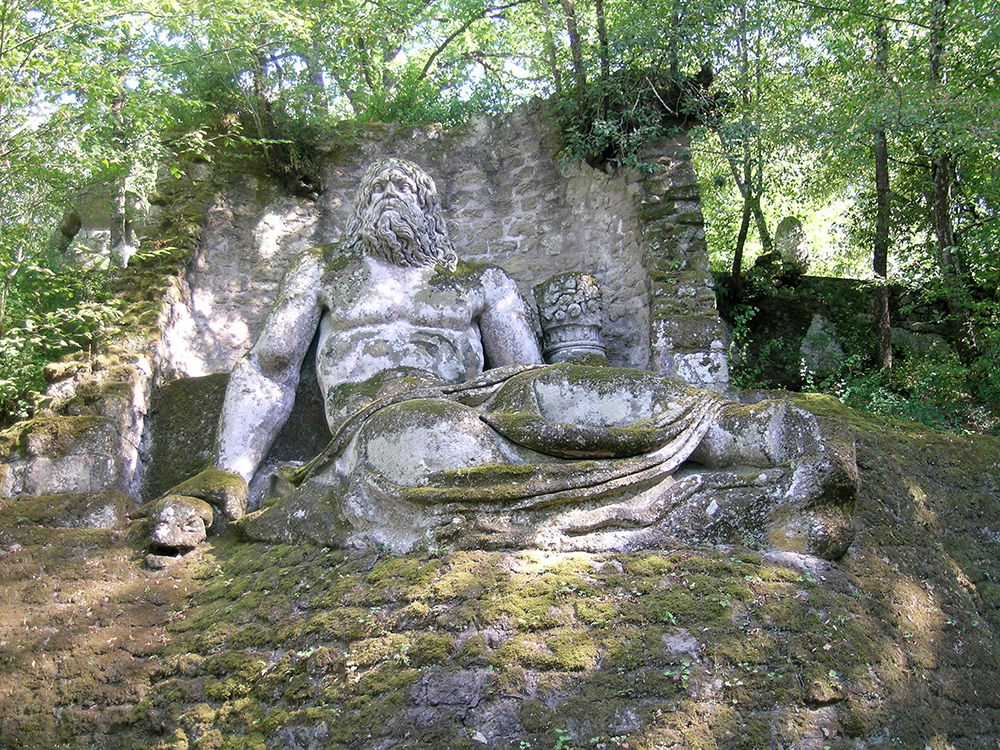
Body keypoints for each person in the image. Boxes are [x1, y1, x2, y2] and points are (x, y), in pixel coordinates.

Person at [156, 157, 856, 559]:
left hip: (489, 395)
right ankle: (759, 500)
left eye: (411, 190)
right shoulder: (323, 271)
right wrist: (229, 470)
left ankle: (753, 434)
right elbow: (269, 370)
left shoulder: (480, 281)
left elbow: (529, 377)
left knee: (608, 396)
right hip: (386, 417)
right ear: (358, 214)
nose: (392, 194)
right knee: (439, 448)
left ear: (436, 216)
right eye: (377, 190)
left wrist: (561, 406)